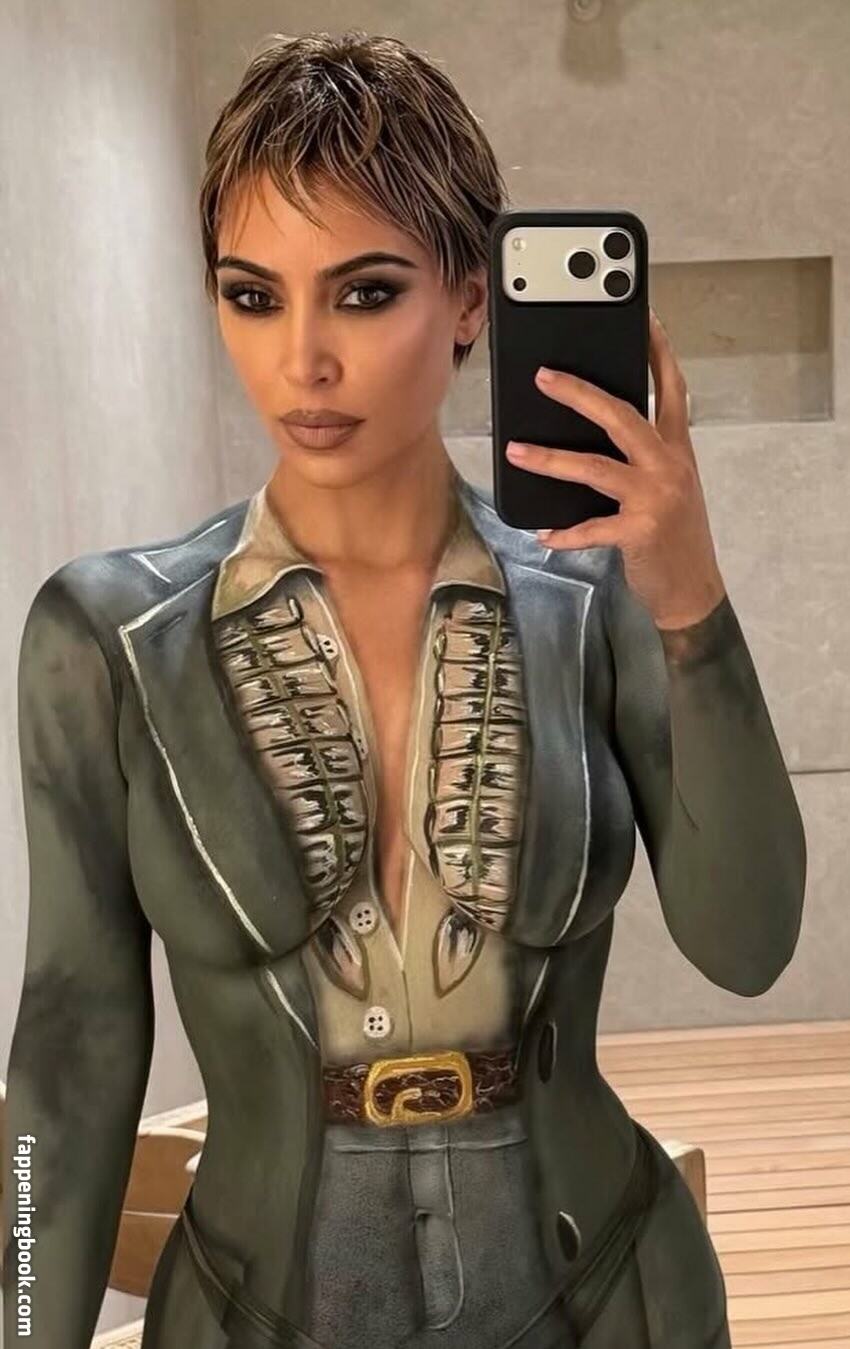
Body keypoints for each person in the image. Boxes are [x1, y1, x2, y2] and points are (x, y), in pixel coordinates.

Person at [0, 29, 806, 1349]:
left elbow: (750, 942)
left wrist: (693, 605)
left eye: (365, 294)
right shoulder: (110, 638)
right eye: (253, 296)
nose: (303, 362)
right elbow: (70, 1058)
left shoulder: (595, 598)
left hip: (611, 1298)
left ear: (472, 300)